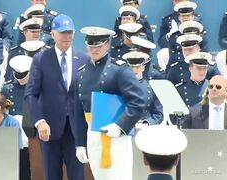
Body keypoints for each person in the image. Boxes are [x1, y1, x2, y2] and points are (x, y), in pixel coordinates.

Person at [75, 26, 146, 179]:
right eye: (91, 45)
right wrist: (80, 142)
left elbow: (138, 100)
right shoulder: (81, 73)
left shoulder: (119, 69)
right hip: (92, 133)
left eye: (98, 45)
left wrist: (120, 126)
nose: (94, 49)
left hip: (116, 135)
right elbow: (77, 111)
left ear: (107, 45)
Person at [25, 14, 90, 180]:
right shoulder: (41, 59)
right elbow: (31, 93)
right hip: (49, 129)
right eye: (62, 32)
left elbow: (88, 95)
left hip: (76, 131)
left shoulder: (84, 59)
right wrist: (39, 121)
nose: (67, 36)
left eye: (69, 32)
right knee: (52, 175)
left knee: (77, 175)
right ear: (53, 34)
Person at [122, 51, 163, 126]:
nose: (134, 70)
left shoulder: (152, 88)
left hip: (145, 129)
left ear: (143, 67)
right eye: (131, 67)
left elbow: (158, 114)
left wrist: (147, 123)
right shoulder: (120, 87)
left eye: (137, 67)